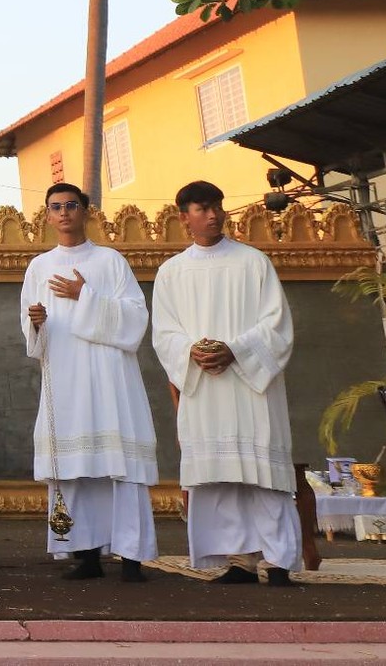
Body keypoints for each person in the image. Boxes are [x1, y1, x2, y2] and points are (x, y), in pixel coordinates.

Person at [151, 180, 300, 586]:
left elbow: (277, 326)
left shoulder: (254, 262)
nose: (213, 214)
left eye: (217, 205)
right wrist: (193, 352)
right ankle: (239, 561)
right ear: (184, 217)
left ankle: (278, 561)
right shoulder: (171, 272)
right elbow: (164, 334)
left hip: (252, 386)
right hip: (204, 387)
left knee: (263, 476)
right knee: (220, 478)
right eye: (202, 208)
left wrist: (235, 350)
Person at [22, 183, 159, 581]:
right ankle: (84, 554)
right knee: (75, 466)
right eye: (55, 207)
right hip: (65, 374)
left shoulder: (110, 261)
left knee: (121, 466)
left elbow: (135, 318)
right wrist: (36, 325)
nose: (63, 213)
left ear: (86, 211)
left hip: (110, 375)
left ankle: (132, 556)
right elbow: (32, 334)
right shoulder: (39, 267)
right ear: (47, 216)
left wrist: (87, 296)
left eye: (71, 205)